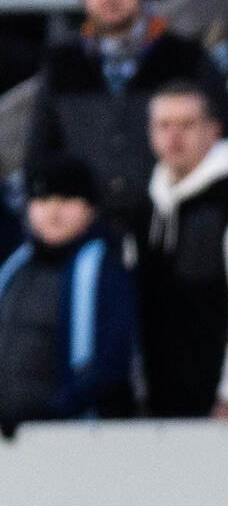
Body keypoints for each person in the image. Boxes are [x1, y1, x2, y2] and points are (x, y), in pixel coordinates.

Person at [27, 0, 228, 236]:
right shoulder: (62, 66)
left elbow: (227, 139)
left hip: (174, 230)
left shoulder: (185, 58)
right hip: (91, 233)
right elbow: (39, 152)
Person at [140, 80, 228, 419]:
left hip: (225, 408)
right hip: (159, 407)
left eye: (187, 125)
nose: (174, 137)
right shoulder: (145, 209)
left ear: (213, 130)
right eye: (163, 125)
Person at [0, 154, 138, 433]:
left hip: (76, 435)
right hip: (13, 439)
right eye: (43, 200)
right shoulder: (16, 267)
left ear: (89, 208)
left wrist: (58, 407)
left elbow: (114, 357)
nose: (53, 211)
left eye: (65, 200)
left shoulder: (106, 267)